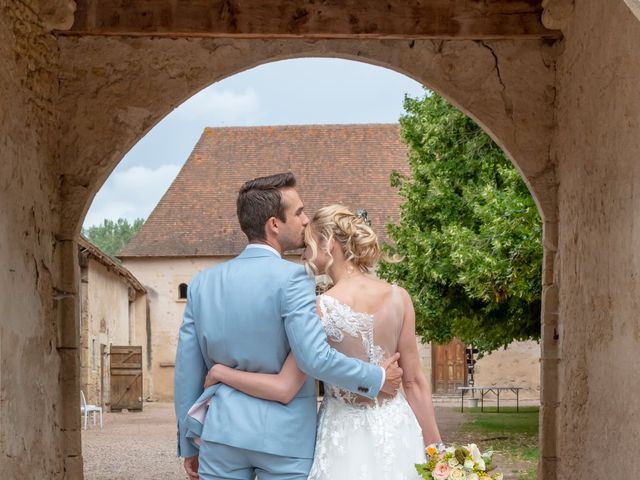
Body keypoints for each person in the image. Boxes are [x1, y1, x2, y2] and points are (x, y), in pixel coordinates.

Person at [174, 173, 404, 480]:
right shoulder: (294, 279)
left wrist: (189, 443)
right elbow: (314, 358)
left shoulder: (202, 284)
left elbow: (187, 369)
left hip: (221, 435)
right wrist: (375, 377)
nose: (306, 220)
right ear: (274, 224)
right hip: (284, 440)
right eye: (298, 213)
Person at [203, 204, 442, 480]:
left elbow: (285, 384)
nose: (303, 255)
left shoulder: (319, 308)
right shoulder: (400, 297)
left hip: (343, 437)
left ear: (328, 245)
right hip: (397, 428)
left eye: (307, 245)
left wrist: (221, 372)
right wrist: (437, 450)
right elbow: (414, 382)